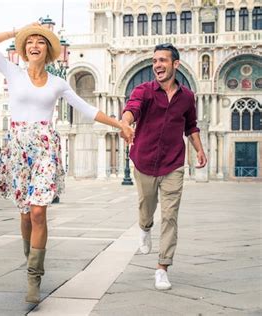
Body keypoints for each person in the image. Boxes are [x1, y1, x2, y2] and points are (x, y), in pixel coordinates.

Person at [0, 22, 134, 304]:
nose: (34, 45)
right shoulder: (13, 73)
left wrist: (118, 124)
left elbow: (86, 109)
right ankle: (31, 260)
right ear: (25, 50)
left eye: (40, 42)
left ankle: (33, 276)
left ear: (48, 50)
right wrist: (17, 31)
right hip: (18, 149)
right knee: (25, 214)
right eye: (30, 42)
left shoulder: (57, 82)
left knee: (39, 212)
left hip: (44, 148)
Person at [121, 43, 207, 291]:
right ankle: (145, 228)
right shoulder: (144, 90)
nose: (157, 65)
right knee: (146, 208)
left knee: (170, 216)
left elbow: (191, 125)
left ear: (175, 64)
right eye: (155, 61)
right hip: (144, 160)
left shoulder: (188, 97)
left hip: (173, 163)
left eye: (163, 61)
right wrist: (125, 123)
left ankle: (162, 268)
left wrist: (199, 149)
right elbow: (131, 110)